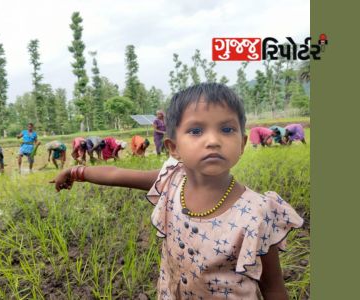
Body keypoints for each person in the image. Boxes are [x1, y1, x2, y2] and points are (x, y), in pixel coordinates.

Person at [51, 83, 303, 299]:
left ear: (243, 143)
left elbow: (273, 289)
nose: (213, 140)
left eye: (227, 129)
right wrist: (75, 172)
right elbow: (117, 174)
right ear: (174, 148)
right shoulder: (172, 181)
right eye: (196, 131)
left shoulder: (258, 212)